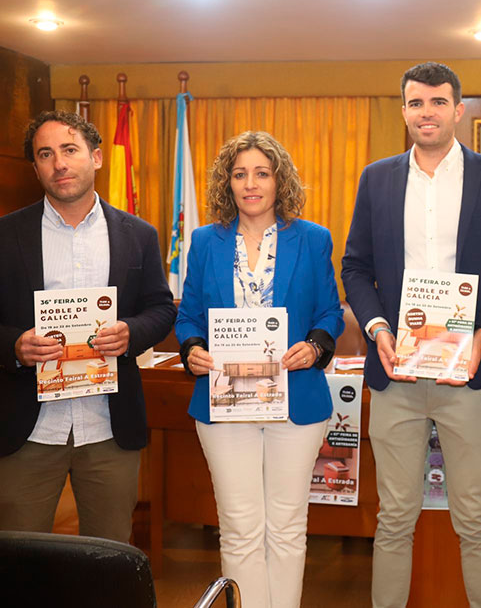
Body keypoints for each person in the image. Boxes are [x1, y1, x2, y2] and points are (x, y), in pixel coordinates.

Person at [342, 61, 481, 608]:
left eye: (438, 102)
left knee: (475, 516)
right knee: (394, 517)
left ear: (459, 109)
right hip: (395, 372)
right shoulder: (376, 178)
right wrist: (377, 327)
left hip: (468, 376)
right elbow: (355, 267)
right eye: (416, 103)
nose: (427, 113)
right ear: (403, 111)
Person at [0, 110, 176, 543]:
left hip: (109, 427)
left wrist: (131, 332)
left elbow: (161, 308)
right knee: (20, 564)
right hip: (30, 428)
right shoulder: (3, 235)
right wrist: (15, 345)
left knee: (108, 562)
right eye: (45, 154)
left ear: (95, 157)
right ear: (35, 167)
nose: (59, 163)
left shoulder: (139, 234)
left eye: (69, 150)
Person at [175, 131, 344, 608]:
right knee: (239, 528)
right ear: (227, 183)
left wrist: (314, 347)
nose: (251, 184)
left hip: (297, 401)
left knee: (287, 528)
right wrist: (192, 349)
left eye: (261, 173)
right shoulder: (206, 241)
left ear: (278, 180)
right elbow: (188, 316)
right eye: (239, 173)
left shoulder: (312, 239)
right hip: (224, 403)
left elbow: (330, 314)